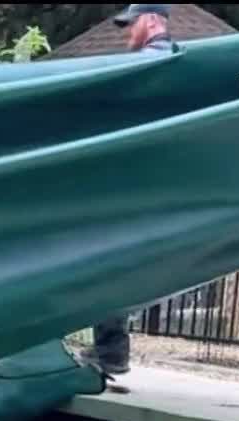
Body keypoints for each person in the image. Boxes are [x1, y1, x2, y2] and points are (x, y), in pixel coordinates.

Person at [86, 5, 180, 375]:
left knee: (105, 266)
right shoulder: (165, 61)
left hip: (133, 188)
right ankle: (112, 352)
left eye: (132, 25)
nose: (128, 33)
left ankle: (111, 354)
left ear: (152, 20)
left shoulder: (153, 61)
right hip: (148, 186)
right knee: (112, 267)